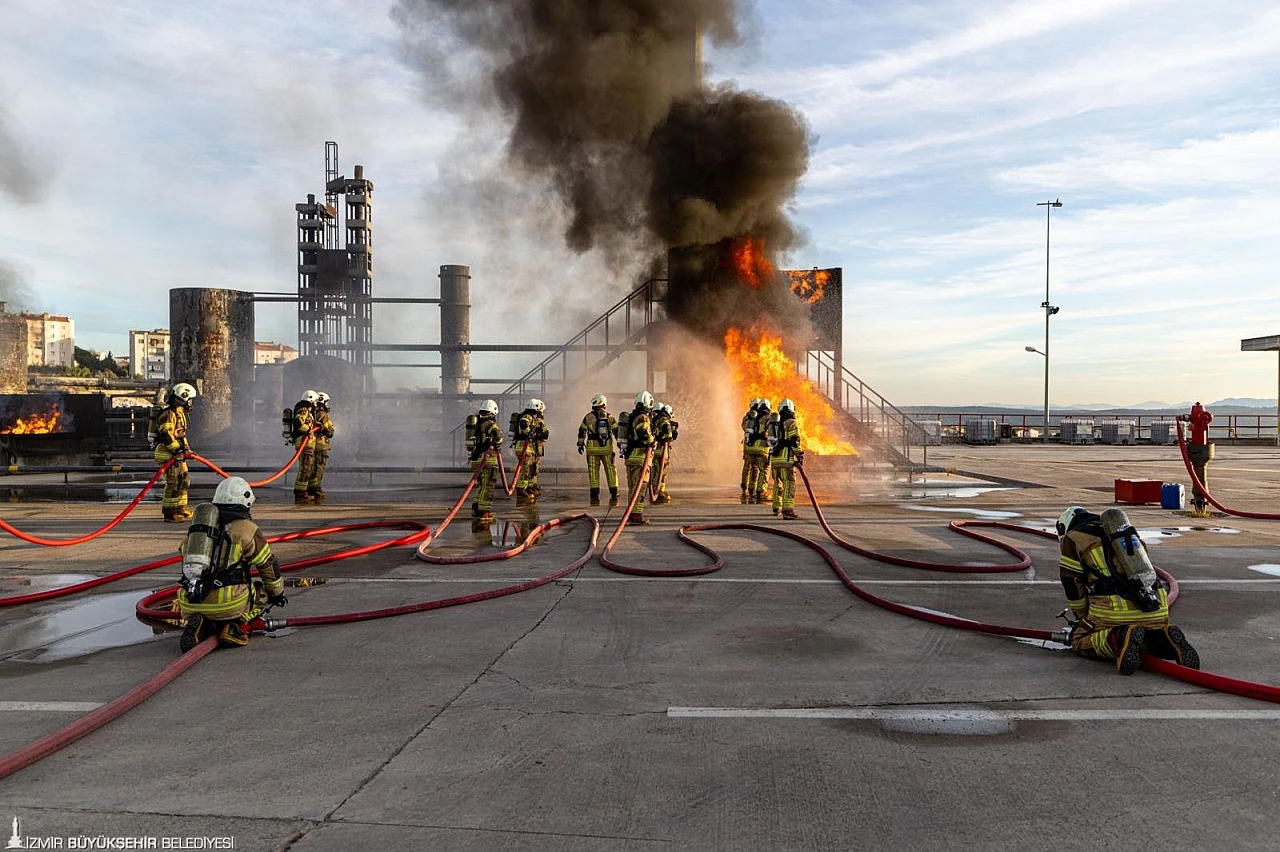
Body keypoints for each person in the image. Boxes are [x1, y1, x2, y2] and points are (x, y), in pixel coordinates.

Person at [1056, 505, 1199, 675]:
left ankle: (1119, 637)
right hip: (1157, 606)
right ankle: (1165, 640)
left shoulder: (1072, 539)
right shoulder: (1124, 532)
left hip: (1116, 610)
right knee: (1143, 637)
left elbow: (1071, 584)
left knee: (1079, 640)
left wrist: (1082, 618)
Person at [176, 476, 286, 651]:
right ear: (245, 502)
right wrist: (277, 593)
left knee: (209, 606)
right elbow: (268, 565)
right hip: (228, 604)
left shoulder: (201, 527)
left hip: (190, 601)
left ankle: (203, 624)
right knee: (262, 593)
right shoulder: (247, 529)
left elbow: (184, 554)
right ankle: (234, 626)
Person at [154, 382, 197, 522]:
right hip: (167, 454)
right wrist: (176, 449)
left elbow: (181, 434)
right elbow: (166, 435)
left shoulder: (180, 414)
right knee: (173, 482)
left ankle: (180, 509)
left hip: (178, 454)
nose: (191, 403)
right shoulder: (168, 414)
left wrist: (186, 449)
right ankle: (169, 513)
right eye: (189, 399)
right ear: (182, 397)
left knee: (184, 481)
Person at [576, 393, 619, 507]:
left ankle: (594, 493)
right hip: (607, 449)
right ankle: (614, 492)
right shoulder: (609, 417)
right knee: (610, 470)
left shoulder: (588, 417)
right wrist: (621, 444)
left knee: (593, 471)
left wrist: (580, 444)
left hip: (592, 449)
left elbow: (581, 431)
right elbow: (617, 431)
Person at [622, 391, 657, 525]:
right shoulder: (643, 417)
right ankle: (637, 516)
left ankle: (631, 513)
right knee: (640, 488)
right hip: (641, 457)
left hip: (630, 457)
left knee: (632, 487)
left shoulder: (631, 417)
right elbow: (643, 433)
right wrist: (652, 440)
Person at [468, 399, 504, 522]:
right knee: (488, 486)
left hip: (475, 458)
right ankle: (484, 513)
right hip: (487, 460)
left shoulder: (476, 423)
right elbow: (499, 438)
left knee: (481, 486)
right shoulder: (490, 424)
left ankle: (476, 509)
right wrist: (496, 444)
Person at [769, 398, 802, 520]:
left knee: (778, 484)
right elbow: (794, 441)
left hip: (774, 460)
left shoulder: (775, 422)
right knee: (789, 483)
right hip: (785, 460)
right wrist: (799, 454)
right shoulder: (791, 423)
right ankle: (788, 511)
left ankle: (776, 507)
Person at [513, 398, 549, 504]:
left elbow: (545, 433)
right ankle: (521, 490)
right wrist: (531, 433)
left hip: (530, 448)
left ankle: (528, 487)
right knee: (526, 470)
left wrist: (539, 434)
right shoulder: (527, 416)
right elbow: (524, 424)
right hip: (525, 447)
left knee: (531, 469)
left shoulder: (535, 419)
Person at [291, 389, 320, 505]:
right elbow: (297, 423)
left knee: (308, 467)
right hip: (304, 443)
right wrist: (308, 430)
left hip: (308, 444)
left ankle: (303, 490)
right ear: (311, 400)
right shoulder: (304, 410)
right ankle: (300, 492)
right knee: (305, 468)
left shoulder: (308, 411)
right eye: (315, 401)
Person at [308, 391, 335, 502]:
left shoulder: (311, 412)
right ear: (322, 402)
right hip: (320, 446)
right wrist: (328, 429)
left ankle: (310, 489)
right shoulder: (323, 415)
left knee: (310, 468)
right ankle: (316, 490)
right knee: (318, 469)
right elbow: (330, 432)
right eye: (326, 402)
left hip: (311, 445)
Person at [651, 403, 678, 504]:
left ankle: (657, 490)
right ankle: (658, 491)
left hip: (655, 450)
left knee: (657, 471)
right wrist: (672, 435)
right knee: (660, 472)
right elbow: (668, 434)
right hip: (661, 450)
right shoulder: (663, 420)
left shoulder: (654, 419)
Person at [748, 399, 772, 504]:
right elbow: (772, 433)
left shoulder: (754, 416)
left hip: (751, 448)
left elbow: (745, 428)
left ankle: (751, 489)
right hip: (762, 449)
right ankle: (761, 491)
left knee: (754, 469)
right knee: (764, 470)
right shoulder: (768, 418)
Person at [740, 398, 761, 502]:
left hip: (748, 446)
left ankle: (744, 485)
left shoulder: (747, 417)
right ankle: (752, 488)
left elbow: (743, 427)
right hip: (759, 447)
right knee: (755, 468)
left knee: (747, 467)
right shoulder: (762, 417)